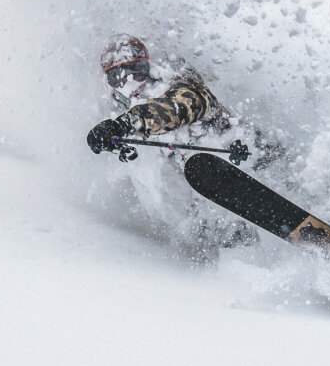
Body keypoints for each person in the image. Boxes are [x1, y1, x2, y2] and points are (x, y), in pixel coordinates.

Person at [87, 34, 263, 257]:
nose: (130, 83)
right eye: (117, 78)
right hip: (206, 187)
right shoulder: (126, 110)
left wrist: (128, 123)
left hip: (252, 157)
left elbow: (178, 107)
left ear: (149, 68)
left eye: (137, 71)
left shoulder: (180, 82)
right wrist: (114, 143)